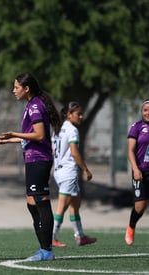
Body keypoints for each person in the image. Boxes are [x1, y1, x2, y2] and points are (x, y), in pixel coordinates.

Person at [0, 72, 60, 262]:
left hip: (39, 159)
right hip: (32, 158)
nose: (13, 91)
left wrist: (15, 133)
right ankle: (44, 249)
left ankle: (47, 250)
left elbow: (39, 135)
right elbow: (30, 136)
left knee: (41, 202)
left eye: (16, 87)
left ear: (26, 88)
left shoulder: (35, 106)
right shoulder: (31, 105)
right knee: (32, 204)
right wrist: (8, 140)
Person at [51, 101, 96, 247]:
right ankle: (51, 237)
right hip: (68, 172)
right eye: (78, 114)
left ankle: (80, 236)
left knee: (75, 204)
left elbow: (53, 150)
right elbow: (74, 152)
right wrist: (85, 169)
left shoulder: (58, 129)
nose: (81, 116)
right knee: (62, 206)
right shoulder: (72, 130)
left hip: (59, 171)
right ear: (69, 115)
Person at [125, 99, 149, 245]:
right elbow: (130, 151)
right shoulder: (137, 127)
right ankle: (131, 226)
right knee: (140, 207)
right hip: (141, 171)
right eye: (145, 110)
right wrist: (135, 168)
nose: (147, 113)